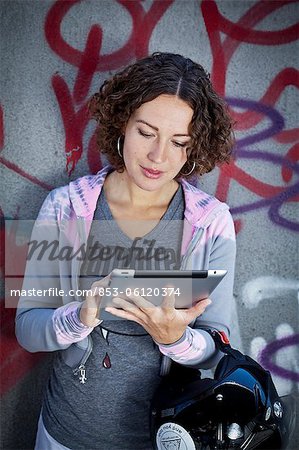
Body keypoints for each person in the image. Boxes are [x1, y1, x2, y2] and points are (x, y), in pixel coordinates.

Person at [15, 52, 236, 450]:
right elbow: (27, 330)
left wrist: (175, 339)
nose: (158, 157)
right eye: (146, 133)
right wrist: (78, 318)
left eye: (179, 142)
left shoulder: (213, 222)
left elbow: (220, 350)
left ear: (195, 146)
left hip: (162, 439)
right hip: (63, 433)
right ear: (122, 123)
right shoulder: (63, 206)